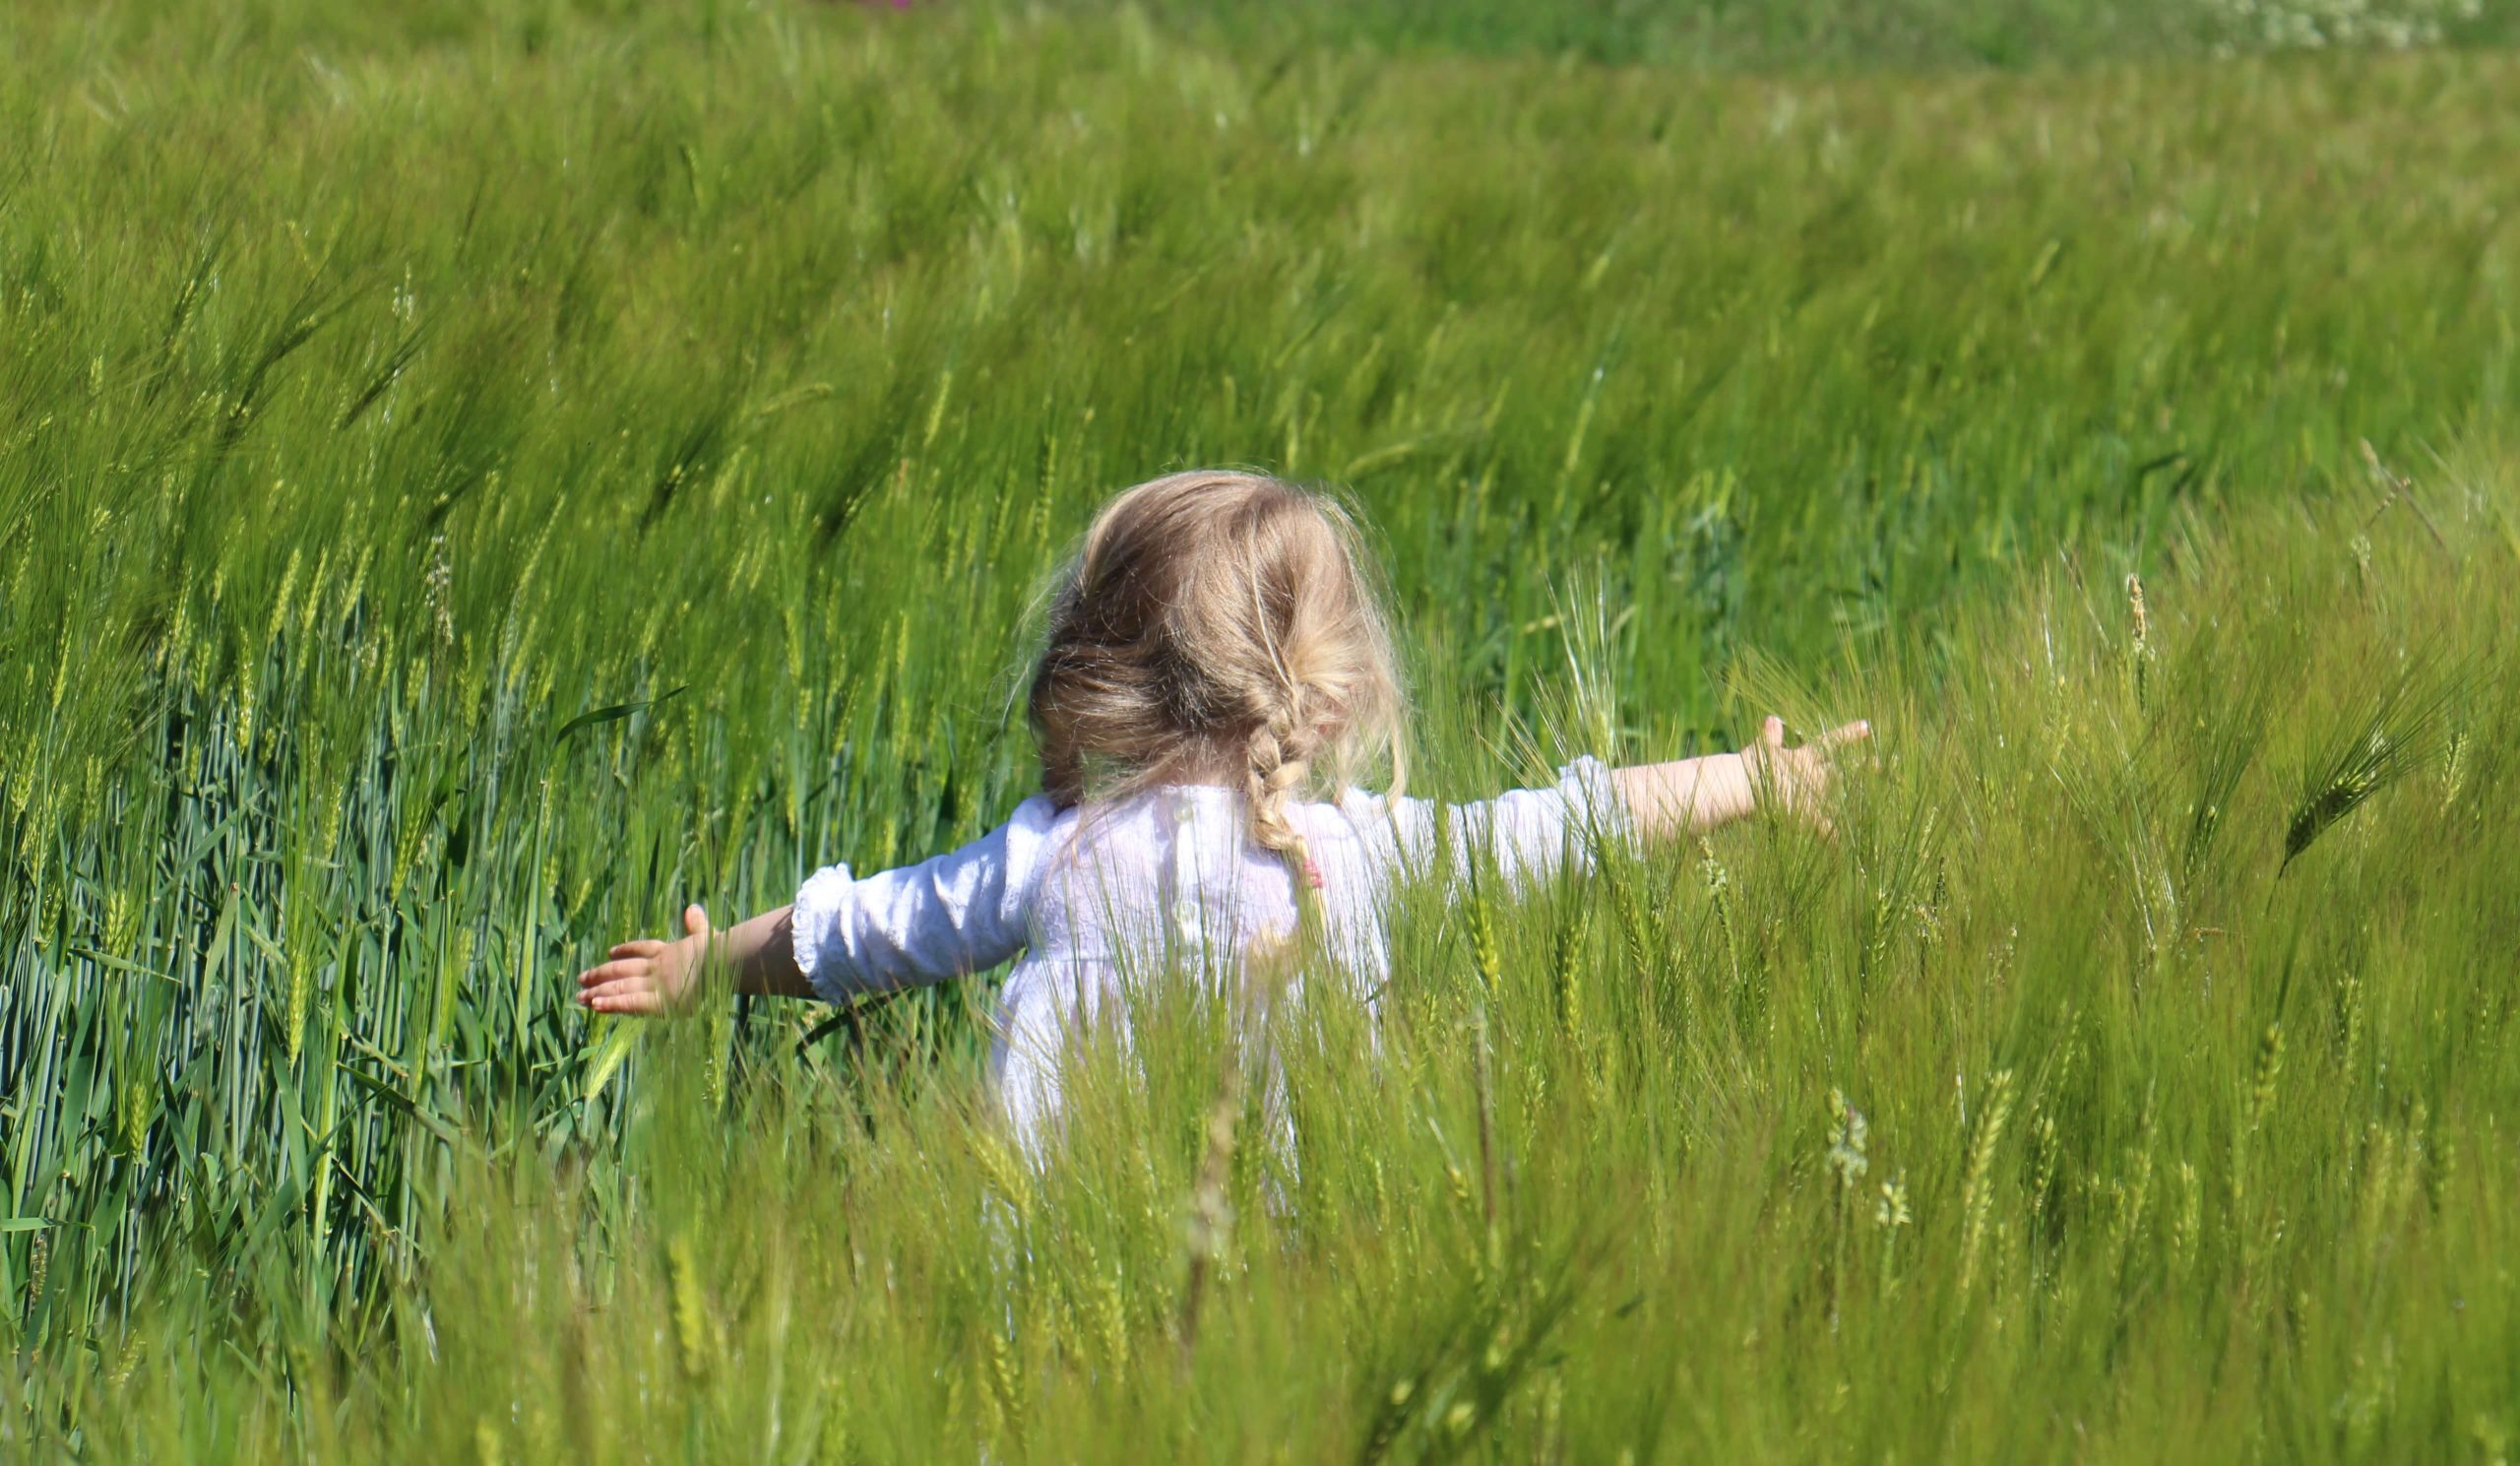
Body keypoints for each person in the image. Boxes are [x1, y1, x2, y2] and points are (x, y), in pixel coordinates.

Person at [574, 470, 1866, 1146]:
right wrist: (1750, 779)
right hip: (1286, 1310)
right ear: (1324, 687)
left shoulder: (1057, 855)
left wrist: (700, 969)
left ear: (1108, 664)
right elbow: (1574, 823)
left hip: (1045, 1309)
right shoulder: (1369, 856)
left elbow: (850, 934)